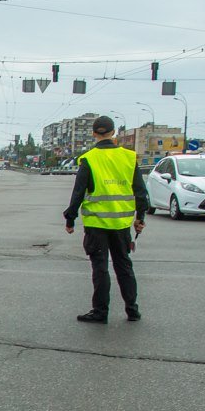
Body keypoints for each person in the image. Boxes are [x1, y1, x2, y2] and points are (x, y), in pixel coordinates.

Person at [63, 115, 147, 323]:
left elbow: (78, 193)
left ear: (93, 133)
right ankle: (132, 310)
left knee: (100, 268)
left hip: (96, 224)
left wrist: (70, 218)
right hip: (120, 225)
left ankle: (100, 312)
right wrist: (140, 218)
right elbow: (140, 192)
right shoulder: (129, 157)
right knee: (124, 266)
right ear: (114, 132)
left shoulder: (89, 159)